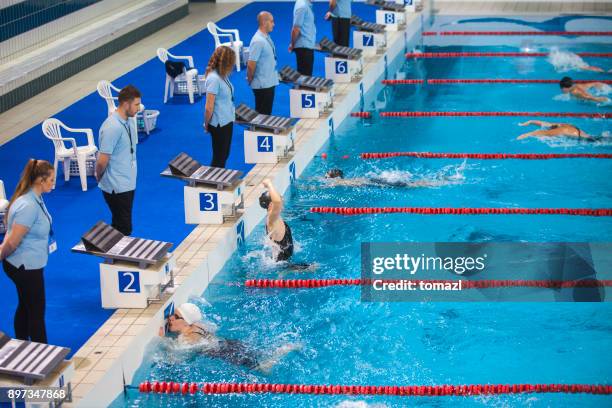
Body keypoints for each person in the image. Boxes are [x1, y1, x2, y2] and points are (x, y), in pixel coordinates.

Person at [0, 159, 55, 343]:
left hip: (28, 263)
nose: (53, 184)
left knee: (25, 305)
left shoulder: (33, 197)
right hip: (24, 266)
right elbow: (12, 242)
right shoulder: (28, 206)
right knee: (37, 312)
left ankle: (22, 344)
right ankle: (42, 355)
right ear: (40, 180)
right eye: (51, 180)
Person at [159, 303, 300, 373]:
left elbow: (175, 359)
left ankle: (279, 355)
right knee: (259, 354)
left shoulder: (188, 339)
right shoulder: (200, 326)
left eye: (176, 317)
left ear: (186, 321)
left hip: (223, 352)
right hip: (229, 343)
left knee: (261, 369)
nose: (170, 318)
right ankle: (282, 349)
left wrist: (162, 340)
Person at [96, 85, 141, 236]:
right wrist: (99, 177)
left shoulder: (128, 120)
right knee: (123, 227)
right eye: (136, 105)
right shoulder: (111, 127)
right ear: (126, 104)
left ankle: (113, 257)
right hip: (116, 186)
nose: (138, 108)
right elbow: (102, 161)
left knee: (120, 224)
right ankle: (116, 257)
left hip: (127, 181)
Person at [204, 46, 236, 168]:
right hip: (218, 124)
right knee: (219, 157)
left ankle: (216, 180)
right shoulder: (213, 79)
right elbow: (208, 107)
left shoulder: (222, 74)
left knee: (224, 155)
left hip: (227, 120)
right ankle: (212, 182)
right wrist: (207, 124)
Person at [248, 12, 279, 115]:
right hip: (262, 85)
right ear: (265, 22)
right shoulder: (258, 41)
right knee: (263, 115)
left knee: (266, 113)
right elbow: (251, 64)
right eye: (272, 21)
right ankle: (261, 131)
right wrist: (250, 79)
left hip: (268, 82)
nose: (273, 24)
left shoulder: (266, 37)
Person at [323, 168, 460, 188]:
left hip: (381, 182)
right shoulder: (345, 180)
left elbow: (323, 185)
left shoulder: (341, 182)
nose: (325, 176)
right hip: (378, 180)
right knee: (412, 183)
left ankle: (441, 181)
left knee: (412, 185)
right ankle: (442, 179)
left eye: (327, 174)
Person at [290, 0, 316, 76]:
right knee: (305, 79)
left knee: (307, 77)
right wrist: (292, 44)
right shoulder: (302, 6)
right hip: (304, 47)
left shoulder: (306, 5)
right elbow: (296, 28)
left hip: (307, 45)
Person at [517, 120, 597, 141]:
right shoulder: (564, 125)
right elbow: (546, 124)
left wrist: (524, 135)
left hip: (583, 139)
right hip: (588, 136)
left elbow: (540, 132)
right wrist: (531, 121)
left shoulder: (560, 130)